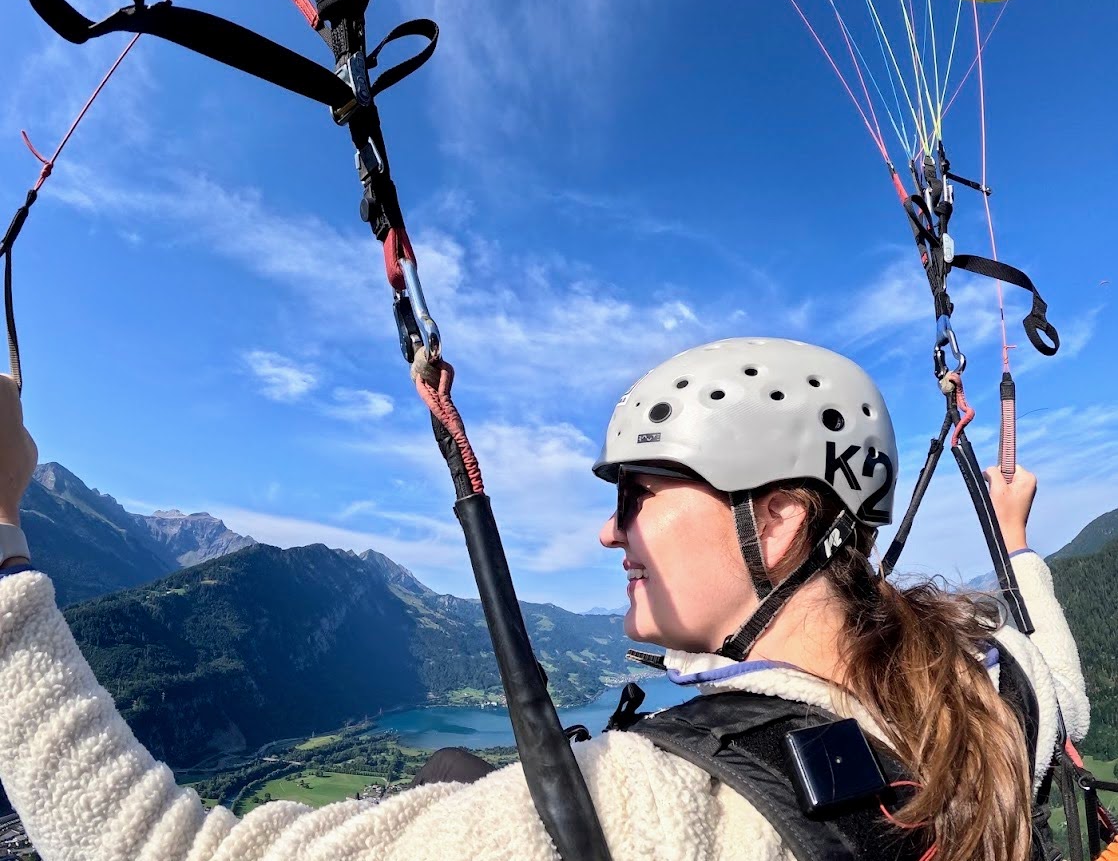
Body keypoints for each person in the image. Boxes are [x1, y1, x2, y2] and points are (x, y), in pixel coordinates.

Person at [0, 337, 1091, 861]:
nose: (609, 531)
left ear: (774, 519)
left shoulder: (658, 806)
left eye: (637, 492)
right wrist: (1014, 545)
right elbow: (1059, 681)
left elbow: (158, 848)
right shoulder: (984, 695)